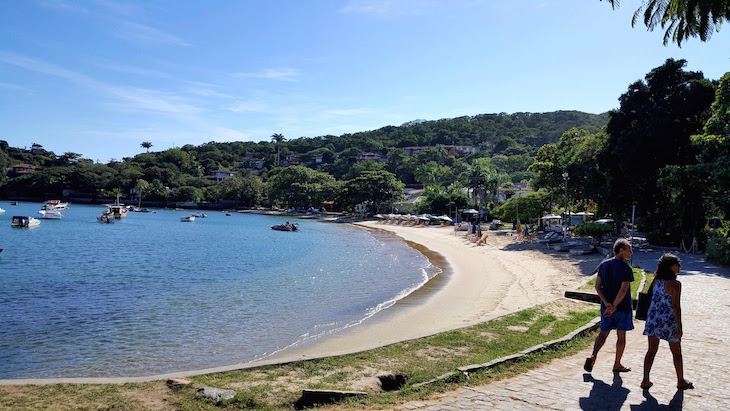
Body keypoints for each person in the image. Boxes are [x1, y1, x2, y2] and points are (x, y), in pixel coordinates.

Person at [640, 253, 693, 390]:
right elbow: (676, 306)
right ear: (671, 267)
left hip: (653, 319)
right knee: (676, 352)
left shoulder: (656, 280)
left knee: (651, 350)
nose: (680, 266)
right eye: (677, 264)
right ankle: (680, 380)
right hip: (668, 321)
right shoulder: (675, 284)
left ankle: (645, 379)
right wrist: (680, 326)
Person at [584, 238, 634, 373]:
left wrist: (607, 304)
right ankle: (617, 364)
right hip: (622, 308)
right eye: (629, 249)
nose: (631, 252)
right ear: (621, 250)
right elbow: (623, 290)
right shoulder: (626, 268)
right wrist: (614, 306)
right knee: (621, 336)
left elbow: (597, 287)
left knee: (603, 334)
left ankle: (593, 355)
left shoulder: (604, 265)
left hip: (606, 308)